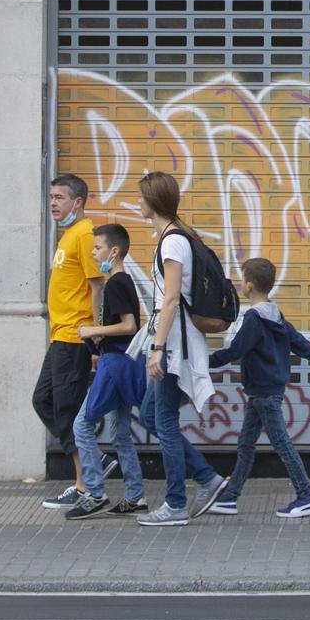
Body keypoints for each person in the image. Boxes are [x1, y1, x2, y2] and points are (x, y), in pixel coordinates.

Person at [207, 257, 310, 519]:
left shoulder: (255, 319)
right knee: (246, 445)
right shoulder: (276, 315)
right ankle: (230, 498)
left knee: (281, 444)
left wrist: (202, 363)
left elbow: (236, 350)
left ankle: (307, 496)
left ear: (249, 286)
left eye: (242, 279)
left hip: (264, 393)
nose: (241, 283)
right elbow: (298, 342)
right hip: (262, 392)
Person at [135, 170, 228, 526]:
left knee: (165, 422)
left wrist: (158, 348)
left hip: (174, 344)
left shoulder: (173, 241)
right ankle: (207, 478)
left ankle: (175, 504)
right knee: (150, 415)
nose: (138, 203)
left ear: (154, 202)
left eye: (142, 197)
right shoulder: (174, 236)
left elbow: (171, 298)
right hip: (172, 340)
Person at [63, 223, 149, 520]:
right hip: (121, 359)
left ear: (114, 251)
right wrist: (101, 336)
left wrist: (93, 330)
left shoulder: (117, 282)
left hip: (116, 364)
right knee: (120, 432)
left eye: (97, 248)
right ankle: (135, 496)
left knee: (82, 426)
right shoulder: (119, 282)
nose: (94, 253)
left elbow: (129, 325)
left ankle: (95, 493)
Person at [37, 173, 106, 510]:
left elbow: (97, 286)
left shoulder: (84, 234)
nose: (53, 203)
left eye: (60, 197)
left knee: (66, 411)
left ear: (77, 202)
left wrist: (96, 338)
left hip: (76, 337)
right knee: (43, 400)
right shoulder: (68, 236)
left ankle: (83, 483)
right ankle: (92, 463)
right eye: (51, 197)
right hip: (59, 335)